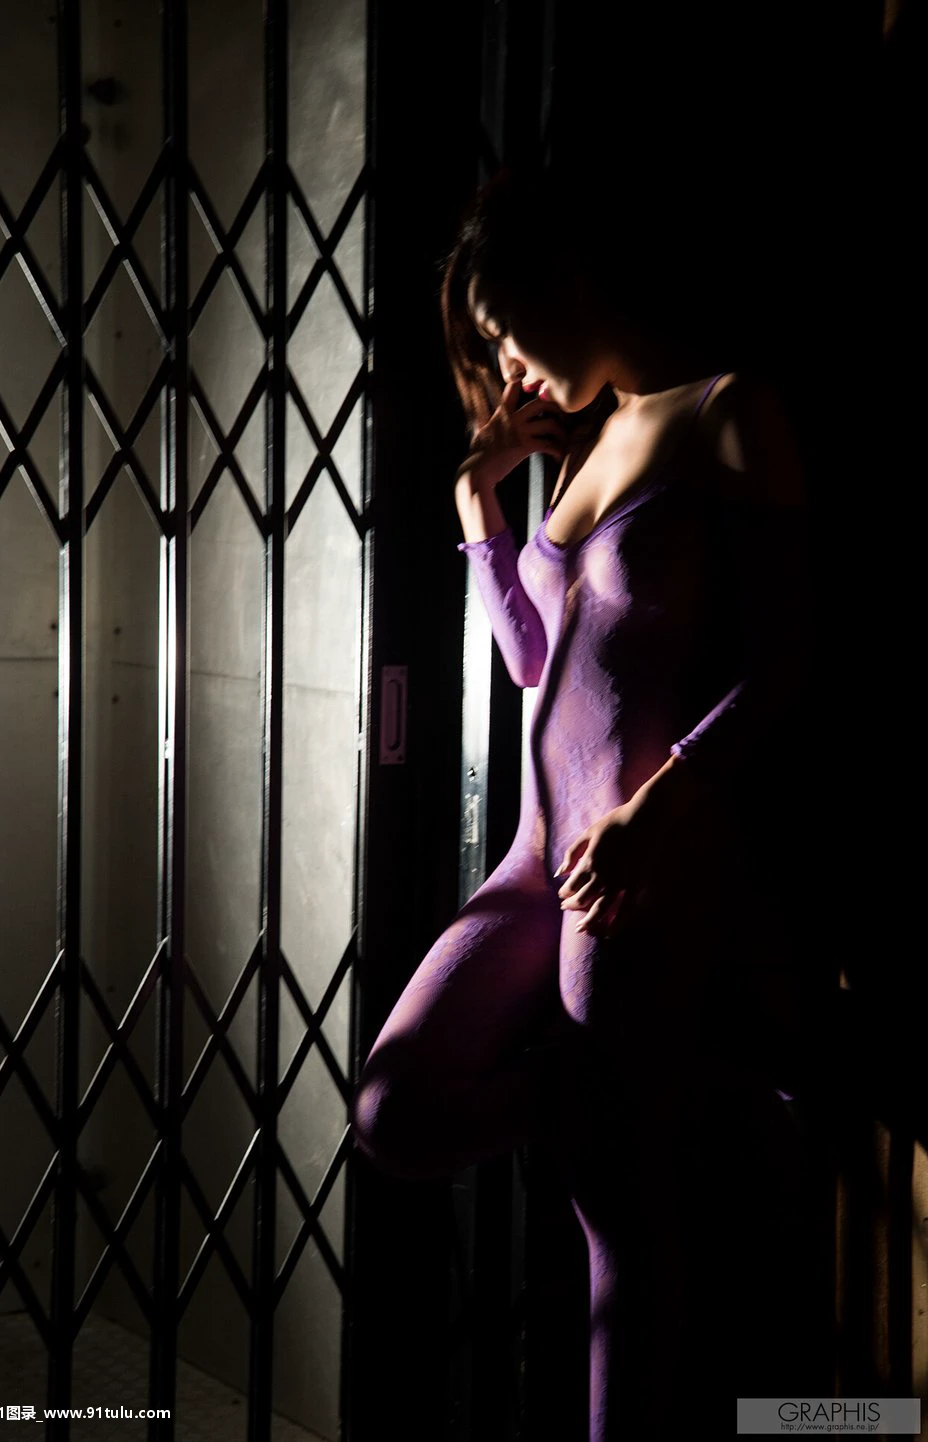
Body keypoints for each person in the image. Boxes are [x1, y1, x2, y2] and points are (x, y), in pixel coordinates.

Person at [351, 165, 815, 1440]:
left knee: (616, 1208)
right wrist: (480, 503)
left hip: (638, 863)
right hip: (536, 853)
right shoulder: (593, 437)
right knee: (394, 1108)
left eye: (508, 330)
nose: (507, 366)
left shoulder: (731, 411)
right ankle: (657, 1089)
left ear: (572, 280)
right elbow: (530, 658)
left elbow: (786, 663)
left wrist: (656, 810)